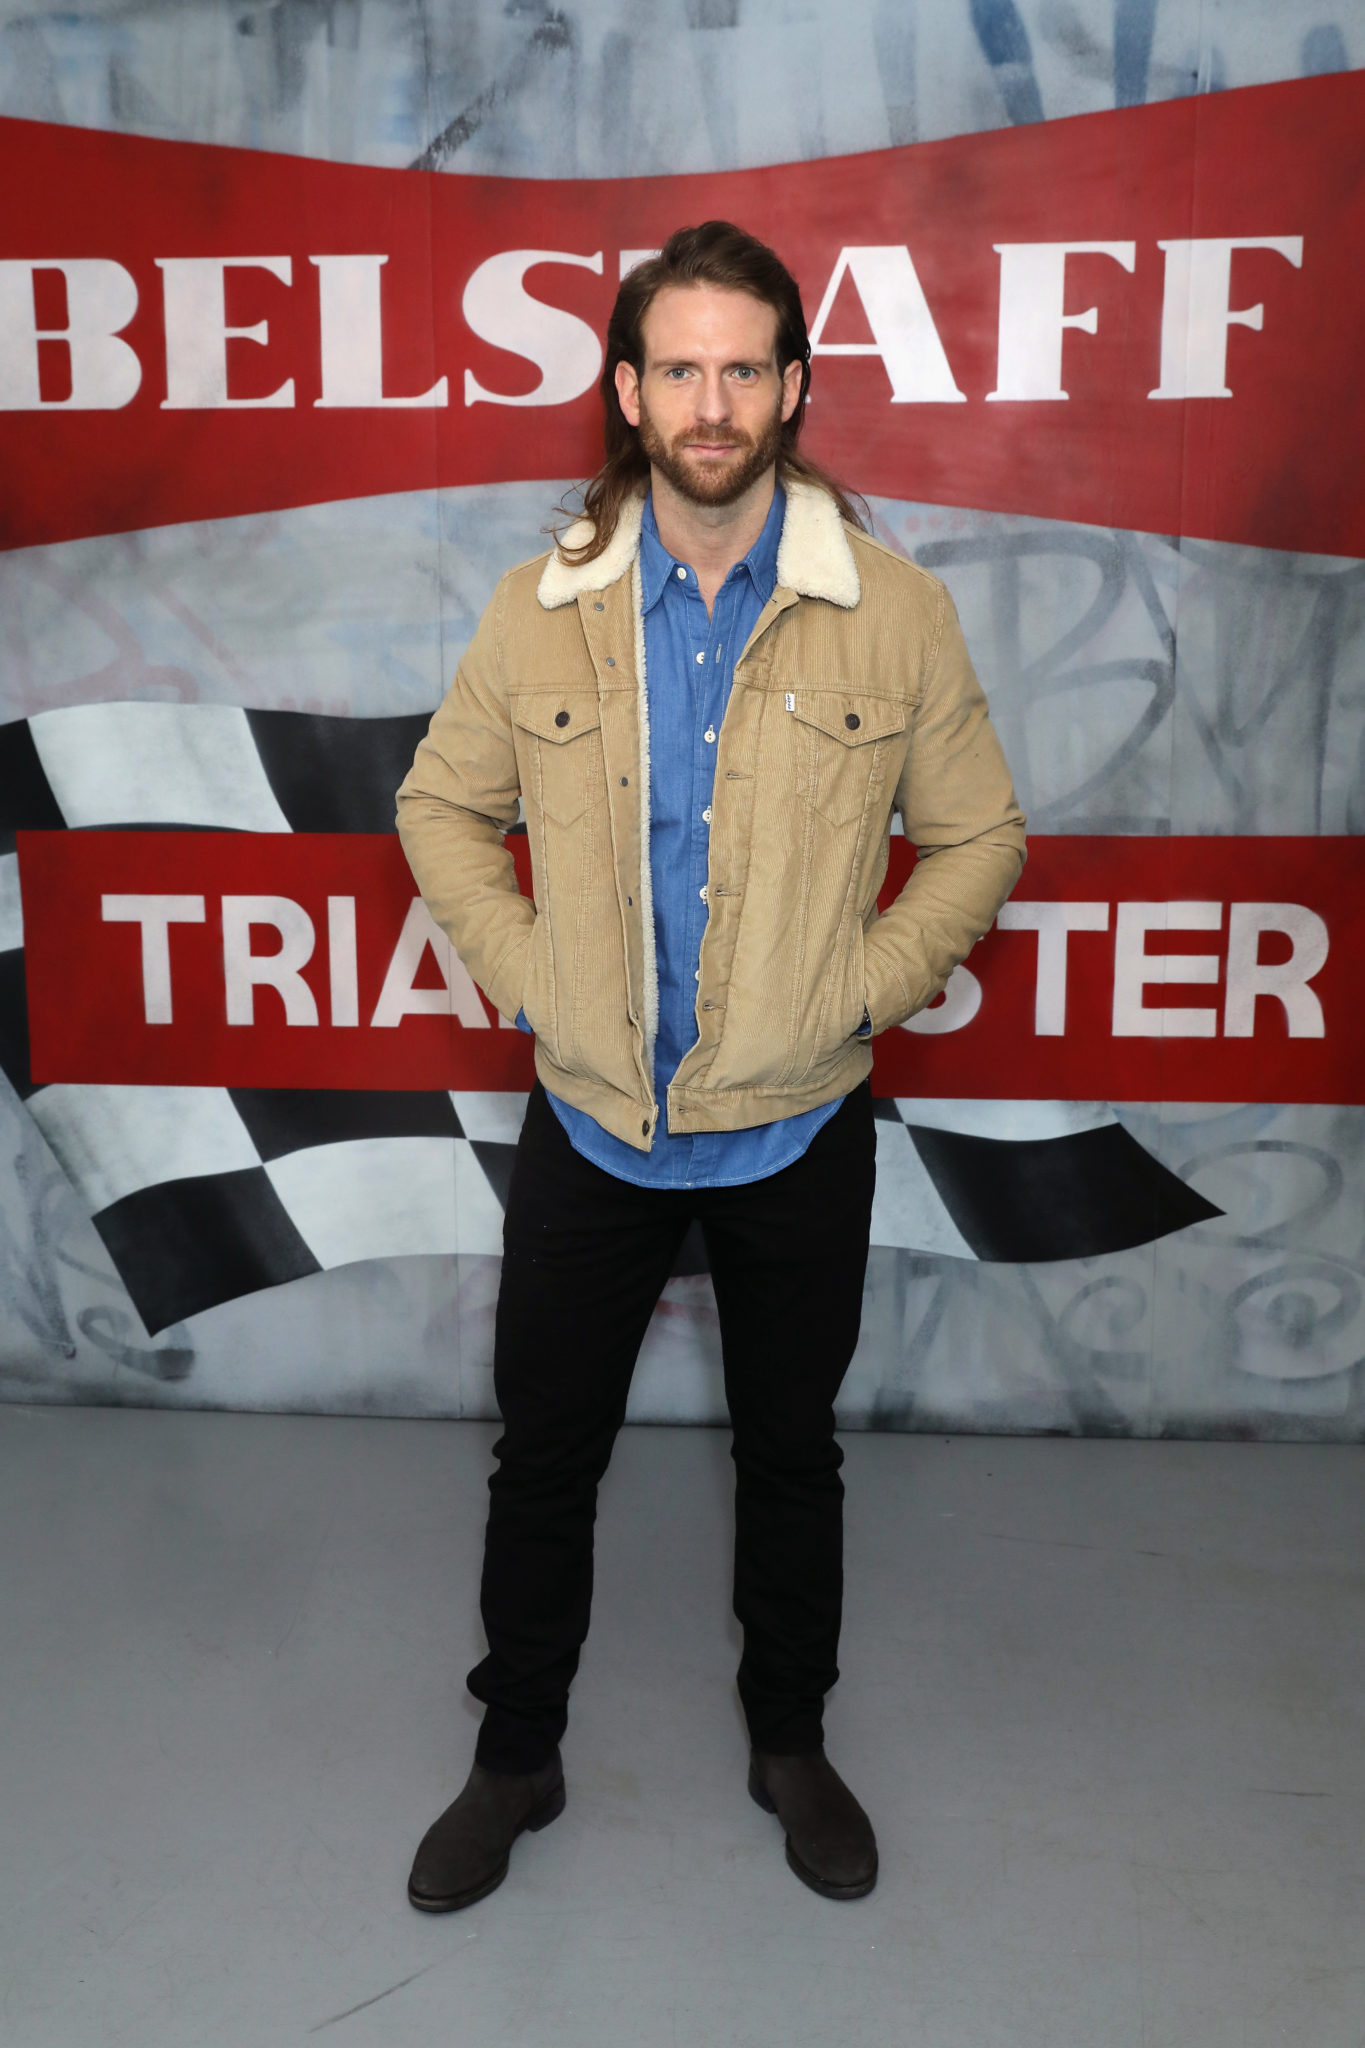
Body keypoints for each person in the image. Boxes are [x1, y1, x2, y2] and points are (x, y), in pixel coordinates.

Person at [395, 219, 1025, 1911]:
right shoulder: (539, 612)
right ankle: (515, 1757)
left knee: (790, 1453)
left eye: (743, 367)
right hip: (596, 1120)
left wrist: (853, 989)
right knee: (544, 1458)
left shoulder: (892, 612)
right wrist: (537, 977)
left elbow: (978, 835)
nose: (711, 401)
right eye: (677, 367)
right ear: (625, 390)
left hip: (794, 1122)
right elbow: (438, 805)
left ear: (793, 387)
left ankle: (789, 1741)